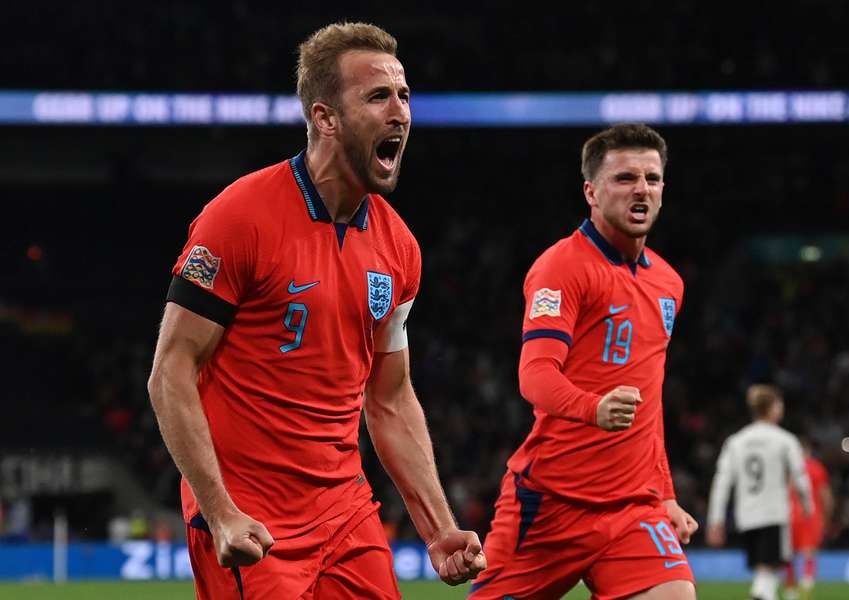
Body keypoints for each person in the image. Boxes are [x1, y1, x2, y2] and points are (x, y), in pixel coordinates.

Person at [147, 22, 485, 600]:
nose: (400, 112)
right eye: (378, 96)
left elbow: (390, 397)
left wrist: (439, 527)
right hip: (253, 521)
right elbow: (170, 372)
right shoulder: (239, 217)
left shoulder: (399, 248)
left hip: (346, 514)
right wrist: (220, 511)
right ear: (325, 117)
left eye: (404, 96)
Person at [470, 123, 697, 600]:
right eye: (625, 178)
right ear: (591, 192)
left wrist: (667, 494)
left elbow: (649, 405)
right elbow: (535, 377)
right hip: (551, 503)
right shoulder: (562, 267)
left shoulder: (669, 284)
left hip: (634, 507)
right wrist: (594, 408)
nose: (642, 189)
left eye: (652, 179)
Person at [706, 384, 813, 600]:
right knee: (769, 569)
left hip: (746, 516)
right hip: (774, 513)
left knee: (764, 570)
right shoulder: (786, 440)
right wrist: (807, 505)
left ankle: (760, 594)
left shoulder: (736, 441)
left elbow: (722, 482)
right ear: (773, 408)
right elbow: (800, 477)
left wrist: (715, 519)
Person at [784, 438, 833, 600]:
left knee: (788, 554)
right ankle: (806, 587)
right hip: (811, 515)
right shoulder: (816, 468)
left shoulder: (788, 470)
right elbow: (825, 495)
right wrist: (828, 517)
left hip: (789, 516)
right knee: (809, 553)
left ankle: (790, 590)